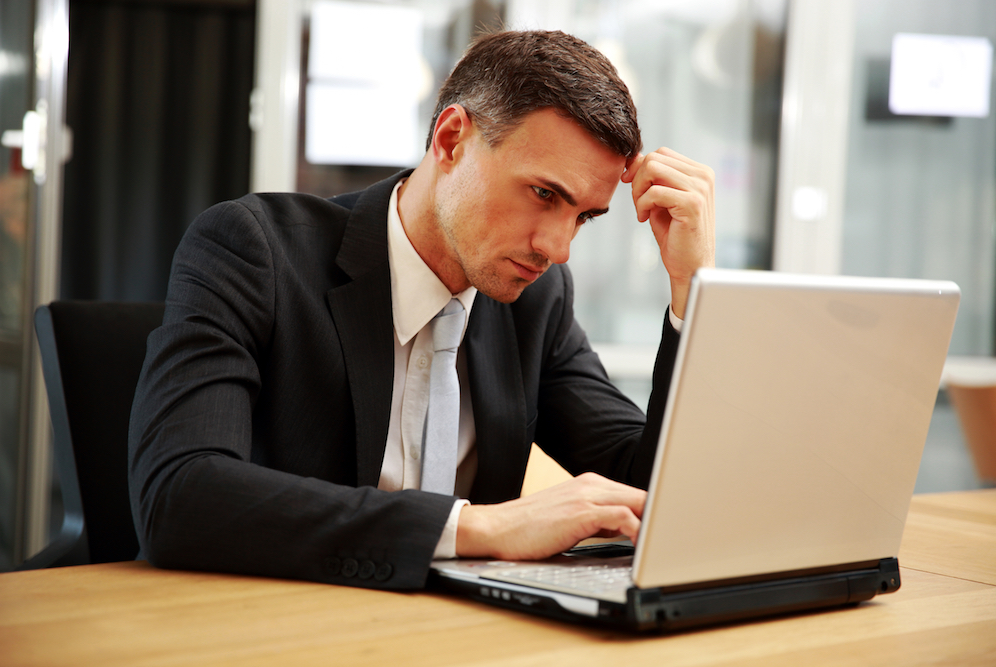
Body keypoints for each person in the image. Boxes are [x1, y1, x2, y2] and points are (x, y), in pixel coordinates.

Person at [128, 29, 715, 590]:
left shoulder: (536, 301)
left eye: (583, 216)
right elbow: (179, 494)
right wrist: (479, 527)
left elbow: (652, 491)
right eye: (543, 194)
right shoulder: (257, 250)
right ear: (452, 139)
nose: (557, 250)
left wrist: (692, 290)